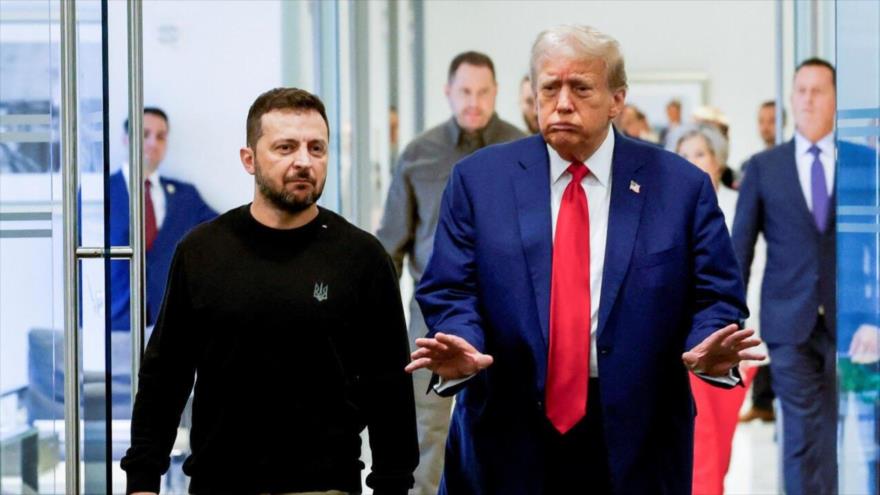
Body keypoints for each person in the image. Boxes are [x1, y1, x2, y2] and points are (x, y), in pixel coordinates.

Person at [406, 25, 763, 494]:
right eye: (549, 87)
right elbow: (450, 287)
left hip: (637, 439)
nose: (563, 102)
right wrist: (463, 343)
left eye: (581, 88)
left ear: (617, 99)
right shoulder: (478, 182)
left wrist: (708, 347)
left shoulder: (680, 188)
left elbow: (716, 295)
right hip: (508, 430)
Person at [122, 88, 419, 495]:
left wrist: (394, 486)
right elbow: (165, 375)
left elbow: (389, 391)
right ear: (250, 159)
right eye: (285, 147)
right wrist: (143, 481)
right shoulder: (202, 252)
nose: (304, 161)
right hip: (219, 483)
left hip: (325, 484)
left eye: (317, 148)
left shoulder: (362, 258)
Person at [376, 50, 524, 495]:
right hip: (434, 318)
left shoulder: (522, 151)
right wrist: (380, 329)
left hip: (508, 317)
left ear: (496, 93)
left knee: (510, 428)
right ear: (448, 92)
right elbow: (392, 245)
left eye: (482, 92)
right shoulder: (419, 154)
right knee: (428, 431)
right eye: (464, 91)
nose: (473, 102)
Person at [732, 58, 874, 495]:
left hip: (850, 322)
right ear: (792, 98)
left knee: (831, 428)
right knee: (798, 430)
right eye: (802, 91)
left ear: (835, 100)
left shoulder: (864, 163)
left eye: (818, 91)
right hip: (787, 320)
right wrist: (730, 322)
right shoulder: (762, 167)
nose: (809, 99)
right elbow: (740, 248)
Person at [676, 126, 758, 495]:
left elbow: (755, 270)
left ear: (719, 160)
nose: (691, 163)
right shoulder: (665, 209)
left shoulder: (740, 205)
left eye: (699, 154)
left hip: (738, 342)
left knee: (720, 444)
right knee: (701, 444)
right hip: (687, 344)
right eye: (683, 154)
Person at [109, 107, 217, 331]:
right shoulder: (101, 193)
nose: (153, 143)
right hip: (113, 323)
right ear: (126, 139)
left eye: (161, 136)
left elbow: (226, 232)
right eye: (145, 134)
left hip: (171, 324)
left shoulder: (185, 196)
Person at [739, 99, 784, 423]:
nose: (766, 126)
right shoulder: (753, 165)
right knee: (759, 332)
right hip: (761, 268)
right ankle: (761, 400)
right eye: (762, 120)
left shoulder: (789, 165)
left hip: (785, 266)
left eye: (772, 120)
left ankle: (768, 400)